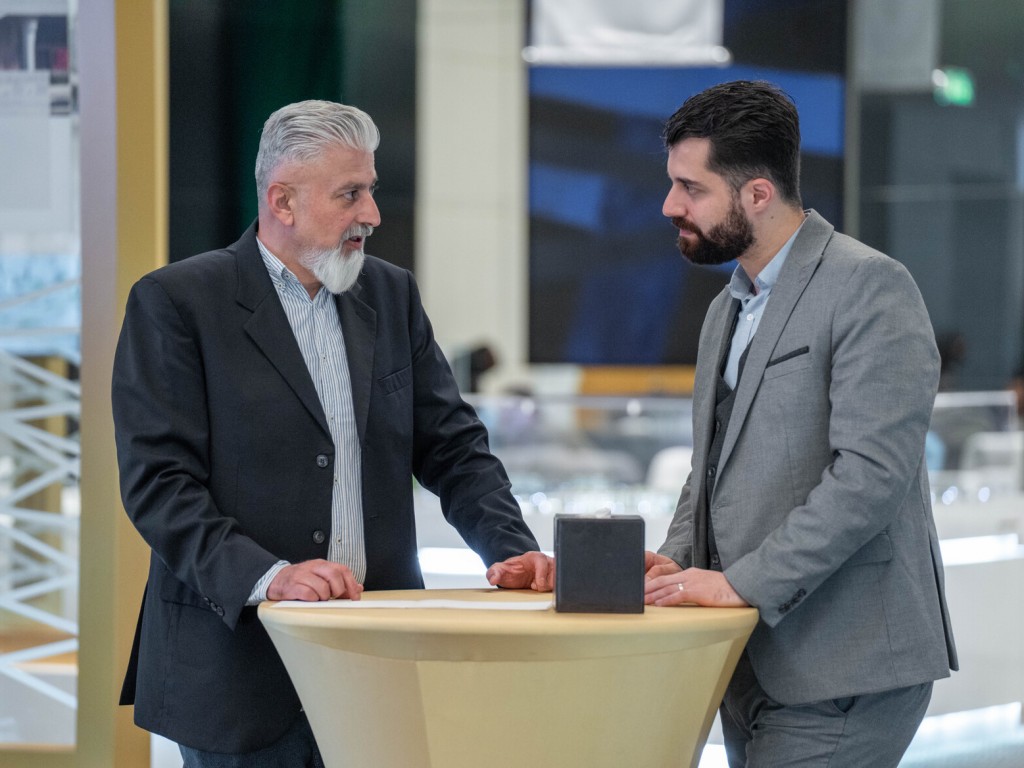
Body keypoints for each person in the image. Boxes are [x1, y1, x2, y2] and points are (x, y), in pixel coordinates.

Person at [112, 100, 552, 767]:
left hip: (378, 668)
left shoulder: (392, 295)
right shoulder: (176, 302)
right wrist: (271, 577)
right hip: (237, 674)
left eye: (370, 190)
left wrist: (513, 550)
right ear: (282, 201)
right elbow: (159, 484)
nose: (371, 214)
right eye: (350, 194)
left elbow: (454, 447)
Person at [642, 81, 957, 767]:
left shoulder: (870, 285)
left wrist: (740, 584)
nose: (670, 205)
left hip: (844, 670)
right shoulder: (725, 308)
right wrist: (675, 563)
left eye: (691, 188)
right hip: (748, 666)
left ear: (758, 194)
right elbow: (712, 469)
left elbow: (870, 477)